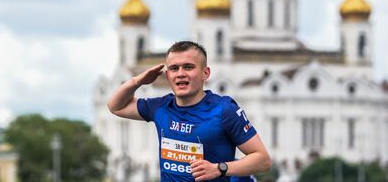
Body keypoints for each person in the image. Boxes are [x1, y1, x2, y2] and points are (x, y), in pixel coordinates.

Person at [108, 40, 271, 181]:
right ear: (167, 75)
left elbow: (263, 160)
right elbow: (116, 107)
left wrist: (219, 169)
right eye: (174, 68)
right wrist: (137, 81)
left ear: (205, 73)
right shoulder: (160, 107)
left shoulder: (224, 110)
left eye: (188, 67)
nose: (180, 74)